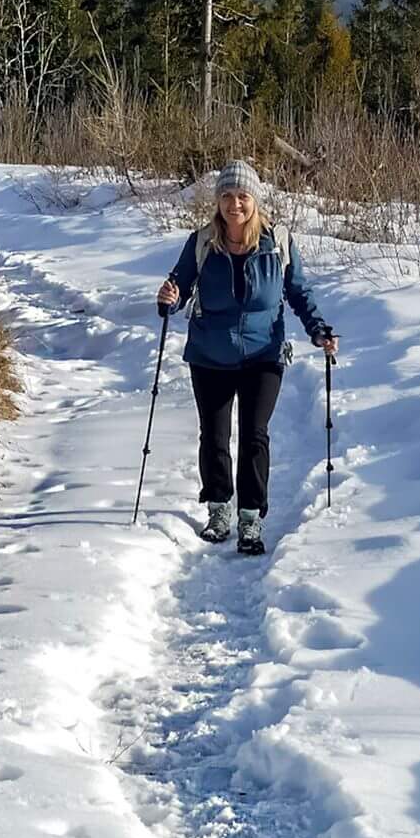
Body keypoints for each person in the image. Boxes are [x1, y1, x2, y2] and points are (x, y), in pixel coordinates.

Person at [155, 161, 337, 555]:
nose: (234, 204)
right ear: (217, 201)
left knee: (255, 435)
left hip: (263, 355)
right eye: (226, 196)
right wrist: (168, 299)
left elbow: (299, 294)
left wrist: (319, 330)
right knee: (215, 436)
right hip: (209, 355)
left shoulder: (278, 244)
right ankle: (219, 510)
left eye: (242, 196)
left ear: (255, 200)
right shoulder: (202, 242)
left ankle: (250, 519)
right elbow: (179, 288)